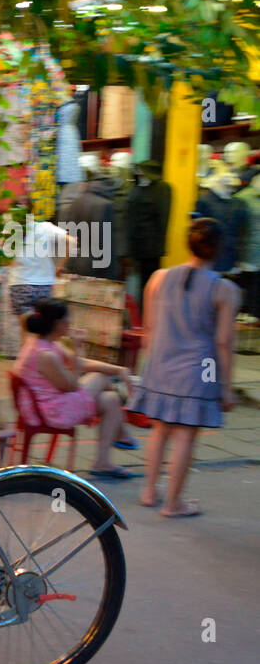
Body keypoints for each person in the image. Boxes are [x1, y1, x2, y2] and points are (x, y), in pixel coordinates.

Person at [129, 218, 241, 517]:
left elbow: (149, 329)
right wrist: (225, 387)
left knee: (160, 429)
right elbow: (223, 341)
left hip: (161, 363)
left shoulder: (158, 278)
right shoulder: (225, 289)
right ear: (218, 248)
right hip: (199, 367)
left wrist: (149, 366)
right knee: (186, 434)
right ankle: (174, 503)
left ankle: (150, 492)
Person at [11, 298, 135, 478]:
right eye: (67, 319)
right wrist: (78, 349)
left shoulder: (47, 343)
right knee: (101, 378)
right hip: (50, 412)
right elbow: (72, 385)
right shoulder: (45, 354)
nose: (70, 322)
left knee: (111, 399)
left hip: (48, 404)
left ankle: (103, 461)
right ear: (57, 324)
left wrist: (119, 369)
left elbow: (80, 364)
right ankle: (122, 431)